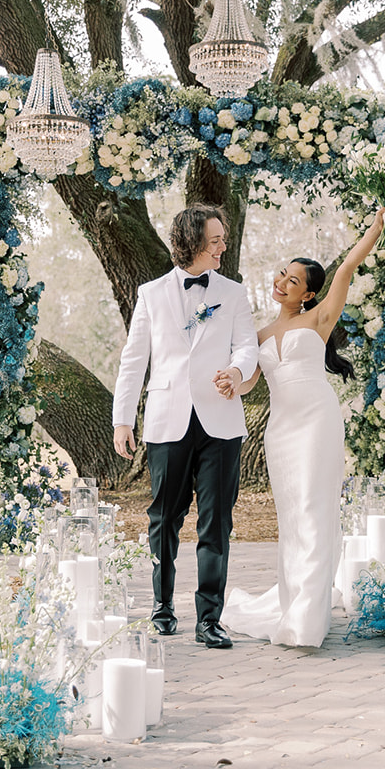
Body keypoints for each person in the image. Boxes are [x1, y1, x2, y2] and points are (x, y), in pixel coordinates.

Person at [217, 208, 385, 647]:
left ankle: (307, 622)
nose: (282, 282)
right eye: (281, 275)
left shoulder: (319, 319)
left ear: (309, 294)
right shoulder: (259, 333)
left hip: (316, 420)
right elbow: (251, 379)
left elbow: (348, 266)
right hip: (281, 429)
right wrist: (231, 382)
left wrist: (377, 226)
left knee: (314, 510)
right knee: (292, 517)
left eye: (293, 280)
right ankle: (292, 602)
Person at [112, 205, 259, 649]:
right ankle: (162, 607)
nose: (223, 246)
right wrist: (123, 418)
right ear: (193, 242)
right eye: (216, 240)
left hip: (221, 423)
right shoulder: (151, 294)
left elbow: (247, 345)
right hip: (166, 419)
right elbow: (134, 358)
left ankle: (209, 619)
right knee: (163, 520)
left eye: (223, 239)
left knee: (216, 523)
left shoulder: (233, 293)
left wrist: (235, 373)